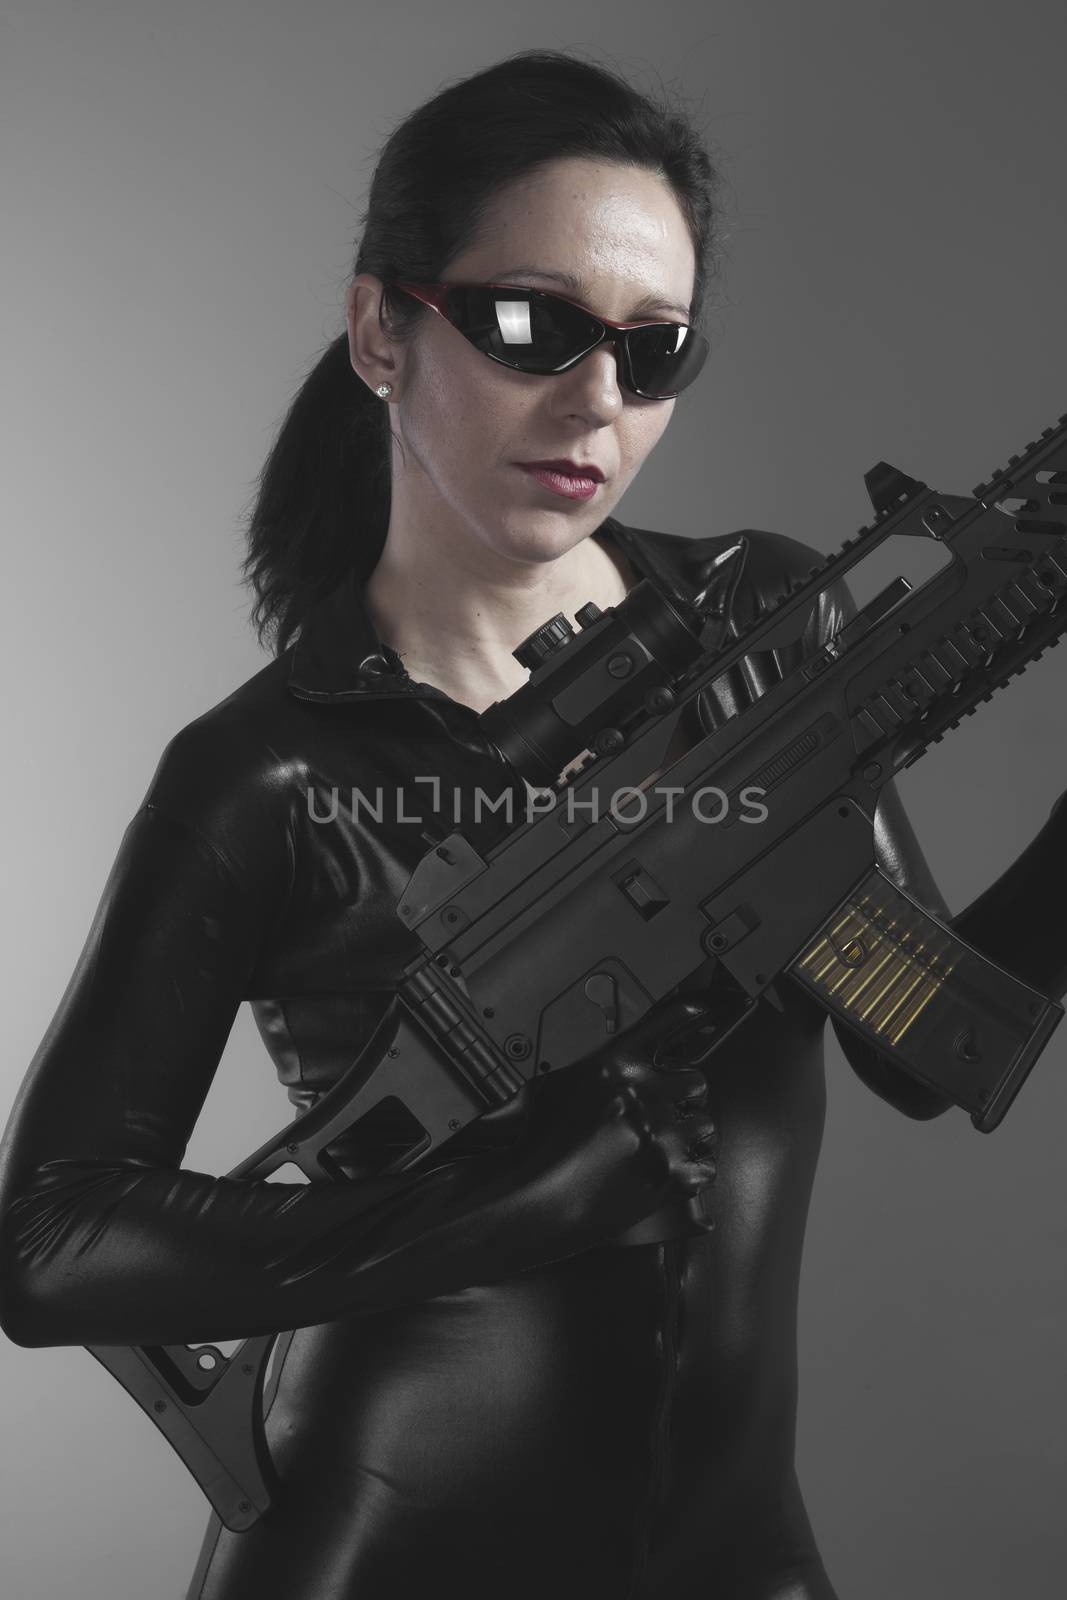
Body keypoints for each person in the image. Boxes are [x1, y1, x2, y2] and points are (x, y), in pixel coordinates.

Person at [0, 48, 1064, 1600]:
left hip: (736, 1556)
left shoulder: (760, 621)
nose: (596, 402)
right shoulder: (272, 775)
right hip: (379, 1555)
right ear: (381, 329)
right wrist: (488, 1212)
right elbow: (47, 1247)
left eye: (656, 351)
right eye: (529, 327)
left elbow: (921, 1051)